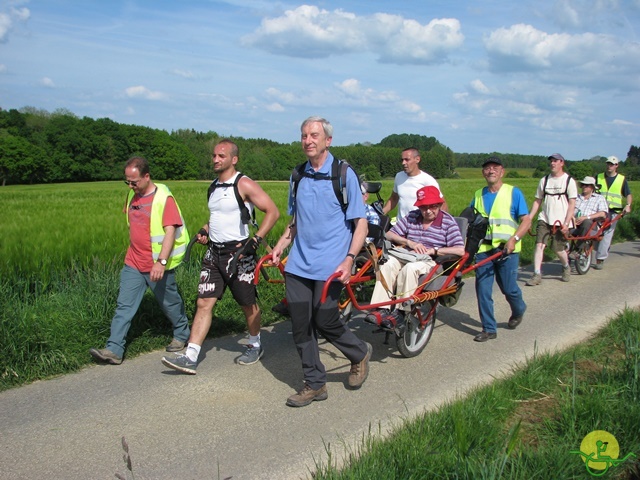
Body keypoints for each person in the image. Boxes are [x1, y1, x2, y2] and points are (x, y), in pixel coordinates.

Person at [271, 116, 372, 408]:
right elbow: (296, 221)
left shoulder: (343, 174)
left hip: (332, 264)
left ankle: (358, 353)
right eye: (304, 135)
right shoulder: (298, 175)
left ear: (328, 140)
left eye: (314, 135)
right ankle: (315, 384)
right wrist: (280, 245)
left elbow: (360, 224)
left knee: (325, 319)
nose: (308, 140)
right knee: (301, 325)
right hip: (299, 264)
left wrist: (350, 260)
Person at [162, 139, 279, 374]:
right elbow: (217, 217)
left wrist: (257, 239)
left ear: (233, 159)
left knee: (248, 304)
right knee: (204, 302)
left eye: (221, 156)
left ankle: (255, 344)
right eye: (214, 155)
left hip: (240, 254)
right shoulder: (213, 187)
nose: (215, 159)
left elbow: (273, 211)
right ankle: (191, 355)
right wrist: (206, 229)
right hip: (213, 254)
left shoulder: (243, 183)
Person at [89, 156, 191, 365]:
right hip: (133, 262)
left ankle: (182, 333)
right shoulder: (131, 195)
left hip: (156, 265)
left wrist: (161, 262)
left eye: (134, 181)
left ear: (146, 176)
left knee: (169, 303)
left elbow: (170, 232)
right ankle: (114, 349)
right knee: (124, 306)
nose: (130, 185)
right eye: (127, 181)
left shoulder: (164, 198)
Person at [365, 185, 465, 330]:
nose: (428, 211)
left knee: (409, 269)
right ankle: (382, 308)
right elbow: (389, 234)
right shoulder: (413, 216)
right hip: (407, 253)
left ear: (439, 204)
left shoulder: (448, 222)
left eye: (432, 207)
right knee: (387, 263)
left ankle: (401, 312)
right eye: (424, 207)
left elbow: (460, 250)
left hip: (431, 260)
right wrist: (409, 242)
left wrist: (434, 250)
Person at [469, 157, 531, 342]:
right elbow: (471, 222)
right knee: (483, 290)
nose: (490, 171)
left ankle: (519, 309)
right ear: (483, 173)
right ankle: (489, 328)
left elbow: (526, 220)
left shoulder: (514, 193)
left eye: (495, 168)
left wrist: (514, 239)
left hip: (507, 251)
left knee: (509, 289)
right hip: (484, 251)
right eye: (487, 168)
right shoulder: (478, 194)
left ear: (502, 171)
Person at [526, 153, 577, 285]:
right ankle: (537, 274)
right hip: (545, 218)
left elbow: (572, 204)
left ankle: (566, 266)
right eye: (551, 161)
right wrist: (529, 218)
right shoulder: (544, 180)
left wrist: (567, 222)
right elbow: (538, 201)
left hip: (561, 221)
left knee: (557, 249)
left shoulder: (568, 181)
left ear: (562, 163)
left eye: (555, 161)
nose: (552, 164)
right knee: (539, 245)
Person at [382, 147, 446, 221]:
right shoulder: (399, 176)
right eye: (402, 160)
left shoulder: (428, 180)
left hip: (418, 226)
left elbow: (442, 204)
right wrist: (380, 213)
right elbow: (394, 199)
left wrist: (437, 224)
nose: (403, 163)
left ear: (417, 159)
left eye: (407, 159)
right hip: (400, 225)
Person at [594, 156, 632, 270]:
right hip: (599, 210)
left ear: (616, 166)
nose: (609, 166)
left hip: (614, 211)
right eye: (608, 164)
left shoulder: (621, 179)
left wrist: (628, 205)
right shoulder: (599, 177)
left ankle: (600, 259)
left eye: (612, 164)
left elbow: (628, 194)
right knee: (595, 233)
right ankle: (599, 249)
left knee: (607, 235)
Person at [571, 176, 608, 249]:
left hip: (591, 224)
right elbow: (569, 209)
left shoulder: (599, 198)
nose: (584, 187)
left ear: (592, 187)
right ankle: (561, 248)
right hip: (574, 222)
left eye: (587, 185)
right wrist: (572, 218)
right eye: (583, 185)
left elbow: (603, 214)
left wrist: (586, 217)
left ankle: (578, 249)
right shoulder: (576, 197)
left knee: (586, 222)